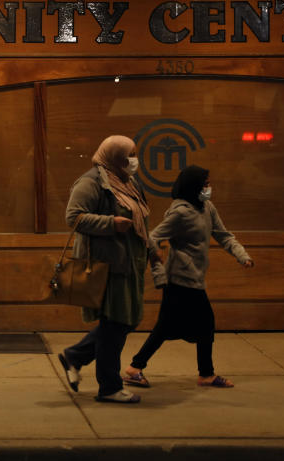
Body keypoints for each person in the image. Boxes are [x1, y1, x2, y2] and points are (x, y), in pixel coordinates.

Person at [122, 165, 254, 389]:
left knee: (169, 326)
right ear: (194, 186)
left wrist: (242, 256)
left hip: (195, 278)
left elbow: (223, 235)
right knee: (202, 323)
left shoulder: (207, 208)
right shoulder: (180, 213)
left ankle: (136, 368)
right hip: (180, 279)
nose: (208, 188)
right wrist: (157, 257)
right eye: (205, 184)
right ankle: (204, 374)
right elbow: (152, 236)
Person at [56, 135, 162, 404]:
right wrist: (110, 223)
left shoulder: (128, 181)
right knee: (116, 324)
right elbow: (74, 217)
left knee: (123, 321)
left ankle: (76, 356)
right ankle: (109, 386)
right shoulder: (91, 182)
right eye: (129, 155)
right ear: (114, 157)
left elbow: (140, 219)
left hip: (129, 264)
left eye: (134, 154)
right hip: (108, 265)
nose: (133, 160)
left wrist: (151, 249)